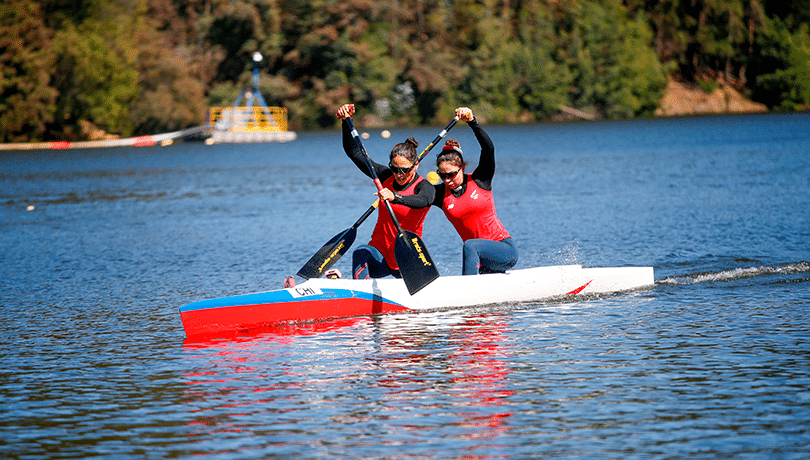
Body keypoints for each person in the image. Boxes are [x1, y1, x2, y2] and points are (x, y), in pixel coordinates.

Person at [337, 103, 435, 279]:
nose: (399, 174)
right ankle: (362, 296)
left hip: (406, 256)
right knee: (360, 252)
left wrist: (395, 197)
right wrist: (346, 121)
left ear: (416, 164)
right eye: (395, 168)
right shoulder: (385, 177)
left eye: (405, 169)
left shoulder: (424, 186)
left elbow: (423, 201)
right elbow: (354, 153)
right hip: (380, 254)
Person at [432, 107, 517, 275]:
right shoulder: (440, 194)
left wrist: (472, 122)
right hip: (482, 259)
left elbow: (489, 150)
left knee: (470, 245)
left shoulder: (480, 180)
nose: (447, 179)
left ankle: (467, 293)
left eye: (451, 174)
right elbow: (414, 195)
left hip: (505, 250)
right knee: (472, 246)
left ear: (462, 168)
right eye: (442, 175)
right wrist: (395, 194)